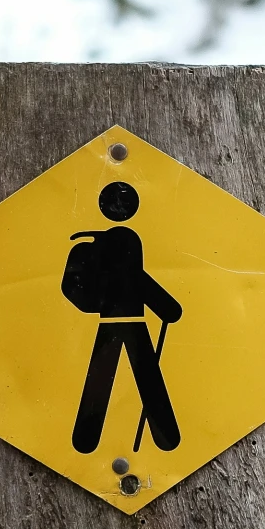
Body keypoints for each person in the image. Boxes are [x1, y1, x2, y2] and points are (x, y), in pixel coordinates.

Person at [62, 181, 182, 453]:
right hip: (132, 324)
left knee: (105, 377)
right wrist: (168, 308)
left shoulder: (110, 240)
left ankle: (85, 439)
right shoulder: (123, 240)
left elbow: (135, 280)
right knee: (145, 376)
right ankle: (166, 439)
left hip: (111, 325)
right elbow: (138, 280)